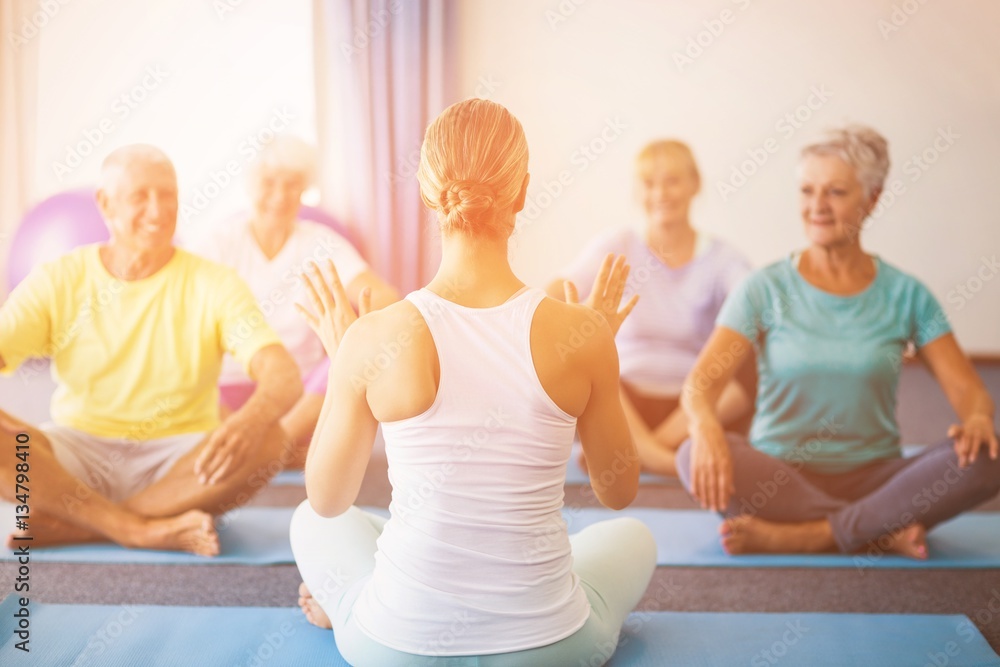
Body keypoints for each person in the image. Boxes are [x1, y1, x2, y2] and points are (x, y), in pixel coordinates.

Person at [289, 99, 656, 666]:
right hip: (550, 652)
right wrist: (595, 351)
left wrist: (349, 367)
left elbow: (328, 498)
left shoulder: (372, 337)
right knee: (635, 536)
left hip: (395, 650)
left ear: (425, 190)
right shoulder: (582, 334)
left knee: (309, 521)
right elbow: (618, 492)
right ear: (524, 191)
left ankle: (345, 603)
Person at [677, 125, 1000, 558]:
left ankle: (810, 535)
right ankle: (877, 528)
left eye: (835, 192)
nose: (817, 207)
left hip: (877, 476)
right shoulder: (763, 288)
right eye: (807, 191)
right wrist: (706, 427)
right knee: (688, 453)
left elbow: (969, 392)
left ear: (872, 198)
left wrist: (977, 418)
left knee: (986, 456)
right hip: (778, 477)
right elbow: (700, 385)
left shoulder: (907, 294)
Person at [0, 145, 303, 555]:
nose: (158, 210)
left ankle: (88, 524)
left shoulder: (214, 282)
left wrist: (247, 422)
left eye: (168, 195)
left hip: (181, 463)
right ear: (105, 204)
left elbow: (283, 375)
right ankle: (135, 528)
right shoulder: (58, 278)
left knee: (269, 439)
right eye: (140, 196)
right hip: (77, 454)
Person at [547, 140, 753, 476]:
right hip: (623, 399)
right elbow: (557, 292)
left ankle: (640, 451)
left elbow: (755, 302)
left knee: (754, 362)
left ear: (694, 184)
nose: (661, 193)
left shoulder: (722, 258)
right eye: (649, 183)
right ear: (637, 191)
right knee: (581, 354)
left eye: (672, 181)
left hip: (692, 406)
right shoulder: (618, 244)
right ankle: (668, 463)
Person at [188, 136, 398, 464]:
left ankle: (273, 446)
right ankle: (250, 443)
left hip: (301, 397)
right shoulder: (218, 242)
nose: (279, 196)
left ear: (305, 190)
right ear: (250, 184)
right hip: (229, 390)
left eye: (292, 185)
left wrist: (359, 330)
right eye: (268, 183)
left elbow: (383, 296)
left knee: (347, 353)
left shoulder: (320, 242)